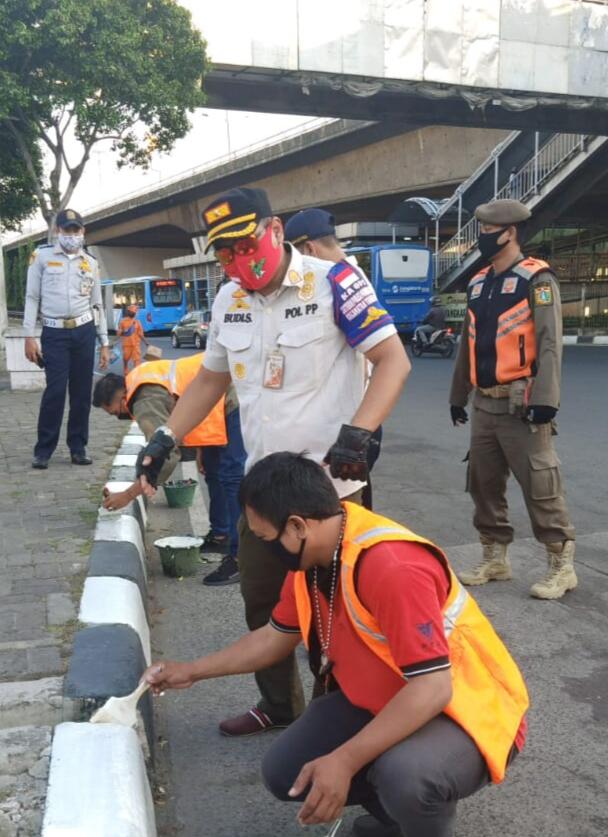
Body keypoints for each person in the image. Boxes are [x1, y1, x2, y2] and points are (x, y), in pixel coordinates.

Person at [136, 187, 411, 737]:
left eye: (245, 245)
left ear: (276, 229)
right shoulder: (228, 300)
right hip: (264, 496)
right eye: (224, 254)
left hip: (330, 492)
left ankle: (349, 720)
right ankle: (281, 709)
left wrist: (359, 432)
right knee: (262, 603)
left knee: (340, 618)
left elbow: (392, 359)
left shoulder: (333, 281)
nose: (238, 263)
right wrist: (165, 437)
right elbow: (212, 378)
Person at [144, 452, 529, 837]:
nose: (262, 549)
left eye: (265, 539)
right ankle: (395, 820)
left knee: (406, 777)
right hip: (389, 697)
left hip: (464, 708)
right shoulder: (315, 558)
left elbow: (433, 687)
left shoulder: (391, 566)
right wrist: (191, 671)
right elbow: (273, 638)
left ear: (296, 526)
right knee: (286, 770)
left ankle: (417, 817)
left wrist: (344, 761)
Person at [449, 198, 576, 600]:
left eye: (489, 232)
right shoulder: (478, 282)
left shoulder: (536, 280)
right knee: (483, 485)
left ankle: (561, 566)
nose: (483, 239)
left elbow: (550, 343)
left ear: (510, 233)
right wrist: (458, 395)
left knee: (541, 484)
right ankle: (495, 557)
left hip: (522, 405)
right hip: (484, 404)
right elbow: (468, 344)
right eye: (482, 231)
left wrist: (547, 398)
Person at [92, 354, 246, 578]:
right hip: (215, 401)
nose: (119, 417)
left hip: (228, 400)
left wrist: (127, 495)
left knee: (232, 477)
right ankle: (222, 536)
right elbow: (181, 396)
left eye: (115, 412)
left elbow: (165, 455)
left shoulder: (144, 400)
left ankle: (240, 558)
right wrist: (202, 447)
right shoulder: (138, 378)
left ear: (122, 399)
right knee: (214, 473)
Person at [285, 207, 384, 509]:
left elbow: (389, 359)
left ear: (308, 249)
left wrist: (356, 434)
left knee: (340, 512)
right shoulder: (347, 276)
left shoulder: (343, 281)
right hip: (354, 423)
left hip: (349, 425)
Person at [23, 209, 110, 469]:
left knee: (82, 393)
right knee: (55, 392)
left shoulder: (90, 263)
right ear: (57, 231)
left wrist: (104, 342)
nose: (72, 235)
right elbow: (32, 298)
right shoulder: (42, 257)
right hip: (54, 332)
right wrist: (29, 335)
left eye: (76, 230)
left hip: (84, 331)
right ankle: (44, 450)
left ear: (82, 232)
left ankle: (78, 447)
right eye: (67, 230)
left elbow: (97, 305)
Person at [116, 304, 148, 371]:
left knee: (137, 360)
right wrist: (121, 332)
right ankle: (125, 368)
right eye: (131, 311)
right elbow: (118, 333)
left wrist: (146, 342)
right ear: (128, 312)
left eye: (134, 312)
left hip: (136, 345)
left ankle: (136, 373)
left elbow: (140, 334)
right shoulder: (123, 321)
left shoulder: (137, 322)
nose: (132, 313)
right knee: (125, 358)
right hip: (127, 345)